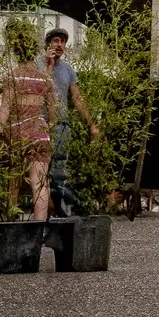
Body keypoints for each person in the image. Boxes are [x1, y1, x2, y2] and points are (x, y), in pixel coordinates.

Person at [0, 19, 57, 221]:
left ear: (15, 51)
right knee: (40, 183)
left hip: (17, 135)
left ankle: (10, 225)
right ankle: (40, 229)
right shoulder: (45, 79)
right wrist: (50, 130)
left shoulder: (11, 77)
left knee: (11, 183)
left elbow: (4, 111)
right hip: (40, 133)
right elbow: (53, 112)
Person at [43, 29, 100, 195]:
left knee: (59, 171)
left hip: (62, 126)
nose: (59, 45)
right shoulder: (38, 65)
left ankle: (58, 209)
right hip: (41, 125)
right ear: (48, 44)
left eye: (63, 41)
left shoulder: (68, 70)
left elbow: (77, 98)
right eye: (56, 40)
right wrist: (49, 65)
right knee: (40, 169)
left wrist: (91, 124)